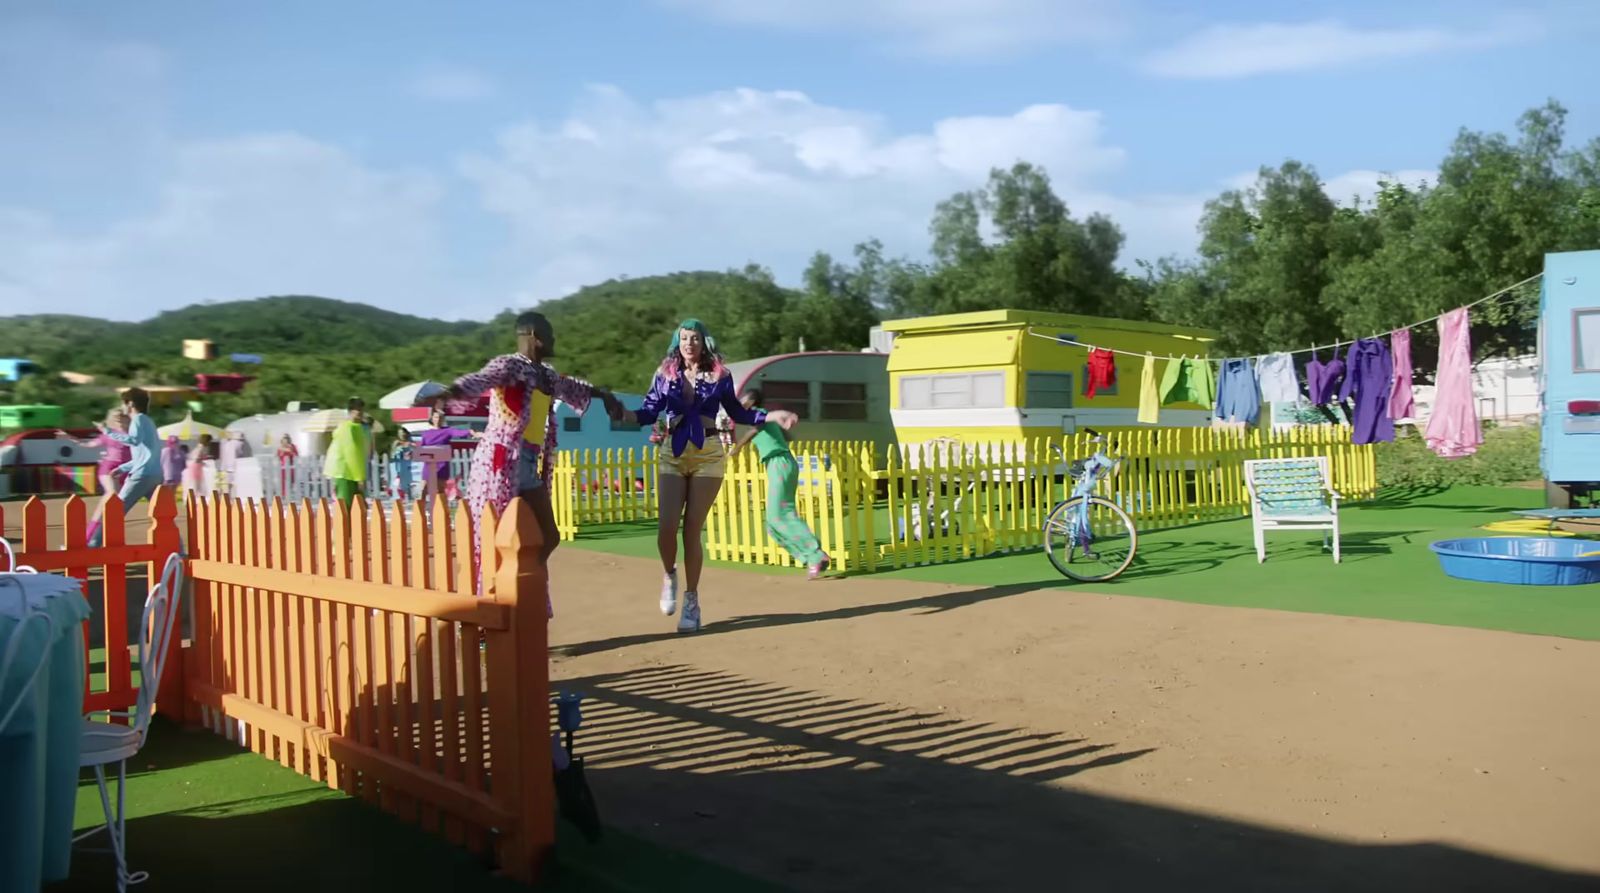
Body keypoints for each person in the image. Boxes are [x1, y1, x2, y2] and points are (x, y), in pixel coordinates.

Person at [616, 319, 797, 632]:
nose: (689, 343)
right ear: (678, 342)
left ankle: (692, 601)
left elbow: (738, 412)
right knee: (666, 526)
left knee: (691, 530)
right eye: (685, 338)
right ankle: (669, 574)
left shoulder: (720, 375)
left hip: (709, 452)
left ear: (704, 342)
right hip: (673, 450)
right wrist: (625, 414)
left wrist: (771, 415)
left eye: (695, 338)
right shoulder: (664, 374)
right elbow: (648, 411)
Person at [434, 311, 621, 603]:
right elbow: (481, 380)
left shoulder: (546, 374)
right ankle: (486, 612)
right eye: (550, 333)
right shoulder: (508, 365)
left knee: (547, 536)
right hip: (499, 462)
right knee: (492, 539)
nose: (555, 338)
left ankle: (519, 593)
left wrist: (606, 396)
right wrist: (450, 392)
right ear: (535, 336)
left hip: (529, 463)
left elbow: (575, 387)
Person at [730, 388, 831, 579]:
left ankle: (816, 554)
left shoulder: (760, 415)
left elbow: (753, 430)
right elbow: (785, 435)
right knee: (772, 523)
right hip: (779, 463)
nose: (741, 403)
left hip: (779, 462)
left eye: (745, 400)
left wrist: (736, 449)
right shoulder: (761, 418)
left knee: (780, 515)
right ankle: (811, 558)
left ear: (752, 401)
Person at [90, 388, 163, 546]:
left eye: (123, 403)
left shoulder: (137, 420)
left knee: (114, 511)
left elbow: (134, 441)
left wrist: (107, 431)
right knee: (163, 516)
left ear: (130, 403)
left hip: (142, 476)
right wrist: (122, 468)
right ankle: (179, 549)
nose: (122, 407)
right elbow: (144, 455)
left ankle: (93, 545)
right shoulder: (148, 421)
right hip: (155, 475)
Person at [62, 408, 131, 544]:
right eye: (117, 418)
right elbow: (89, 444)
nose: (119, 421)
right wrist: (71, 438)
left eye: (122, 417)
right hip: (109, 468)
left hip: (125, 470)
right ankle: (87, 537)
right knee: (112, 494)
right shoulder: (109, 434)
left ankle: (95, 538)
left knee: (113, 505)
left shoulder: (133, 435)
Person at [416, 406, 475, 502]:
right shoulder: (426, 433)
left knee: (440, 491)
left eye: (440, 417)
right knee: (423, 489)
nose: (437, 419)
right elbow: (421, 448)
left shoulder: (447, 430)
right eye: (435, 417)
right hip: (429, 464)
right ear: (432, 419)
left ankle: (441, 512)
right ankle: (420, 511)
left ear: (442, 419)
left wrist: (469, 432)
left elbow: (458, 432)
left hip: (441, 464)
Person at [322, 398, 372, 509]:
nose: (359, 413)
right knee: (346, 507)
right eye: (356, 411)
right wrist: (359, 478)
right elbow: (351, 453)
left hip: (351, 473)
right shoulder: (347, 428)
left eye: (361, 410)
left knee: (357, 508)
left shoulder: (358, 427)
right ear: (350, 412)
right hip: (345, 473)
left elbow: (359, 453)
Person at [390, 427, 416, 501]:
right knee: (398, 480)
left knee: (408, 481)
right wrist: (396, 448)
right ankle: (399, 495)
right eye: (400, 433)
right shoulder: (396, 443)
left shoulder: (410, 442)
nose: (402, 435)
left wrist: (410, 446)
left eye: (403, 433)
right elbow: (392, 455)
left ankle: (409, 495)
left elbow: (416, 450)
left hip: (408, 465)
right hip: (398, 465)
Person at [186, 433, 214, 498]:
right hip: (196, 467)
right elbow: (196, 458)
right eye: (210, 441)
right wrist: (203, 460)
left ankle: (197, 499)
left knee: (197, 484)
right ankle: (194, 499)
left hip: (196, 467)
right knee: (196, 484)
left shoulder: (200, 446)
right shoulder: (201, 447)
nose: (210, 442)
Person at [275, 434, 300, 498]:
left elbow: (296, 455)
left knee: (290, 480)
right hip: (282, 467)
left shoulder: (292, 447)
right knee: (283, 481)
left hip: (291, 467)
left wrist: (289, 450)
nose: (284, 443)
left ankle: (290, 493)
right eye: (283, 442)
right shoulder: (280, 448)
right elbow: (277, 456)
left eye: (286, 442)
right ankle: (284, 494)